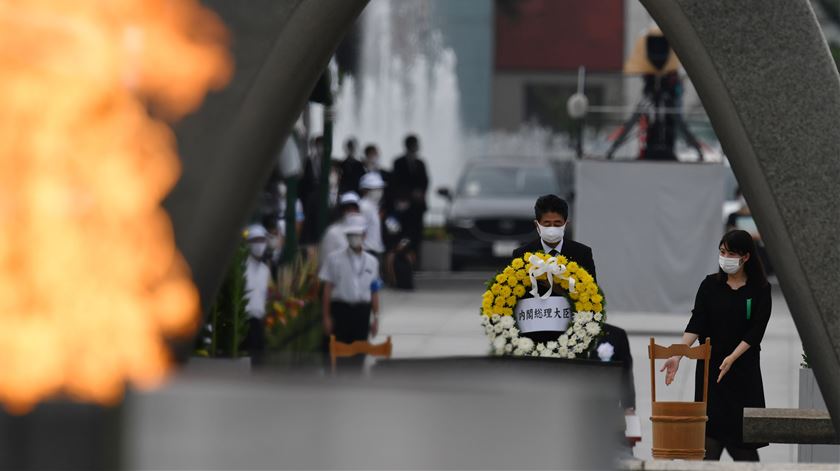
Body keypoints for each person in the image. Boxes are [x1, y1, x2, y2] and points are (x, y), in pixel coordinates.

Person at [661, 229, 771, 461]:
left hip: (743, 372)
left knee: (744, 444)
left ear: (746, 257)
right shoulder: (710, 285)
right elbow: (696, 323)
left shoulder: (760, 289)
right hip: (711, 372)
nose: (725, 258)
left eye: (731, 253)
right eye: (722, 252)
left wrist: (732, 358)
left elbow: (756, 331)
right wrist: (678, 354)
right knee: (708, 440)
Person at [319, 217, 382, 346]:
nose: (354, 238)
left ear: (364, 235)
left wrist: (375, 318)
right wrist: (326, 317)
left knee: (359, 351)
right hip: (340, 310)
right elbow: (327, 289)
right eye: (351, 234)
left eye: (358, 234)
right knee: (338, 351)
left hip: (362, 312)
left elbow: (374, 291)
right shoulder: (334, 259)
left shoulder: (372, 262)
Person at [512, 194, 597, 281]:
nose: (552, 228)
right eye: (547, 224)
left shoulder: (582, 254)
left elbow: (591, 287)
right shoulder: (522, 255)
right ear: (537, 225)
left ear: (566, 225)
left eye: (557, 224)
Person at [390, 134, 429, 261]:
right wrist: (409, 194)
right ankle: (402, 258)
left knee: (417, 233)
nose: (416, 147)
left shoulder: (420, 163)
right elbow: (396, 182)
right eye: (413, 145)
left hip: (418, 207)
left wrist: (420, 193)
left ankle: (415, 258)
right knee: (404, 233)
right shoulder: (398, 162)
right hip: (404, 206)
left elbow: (425, 182)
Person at [243, 224, 272, 366]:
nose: (259, 245)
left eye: (262, 240)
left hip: (259, 322)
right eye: (255, 240)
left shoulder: (265, 270)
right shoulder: (242, 267)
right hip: (244, 323)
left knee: (258, 363)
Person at [318, 192, 362, 266]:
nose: (351, 212)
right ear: (341, 211)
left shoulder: (362, 231)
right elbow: (325, 261)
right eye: (347, 209)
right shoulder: (332, 232)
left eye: (354, 209)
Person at [359, 172, 386, 256]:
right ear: (365, 190)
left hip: (374, 250)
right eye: (375, 189)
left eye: (380, 189)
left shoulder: (373, 207)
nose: (379, 192)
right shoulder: (364, 206)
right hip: (366, 250)